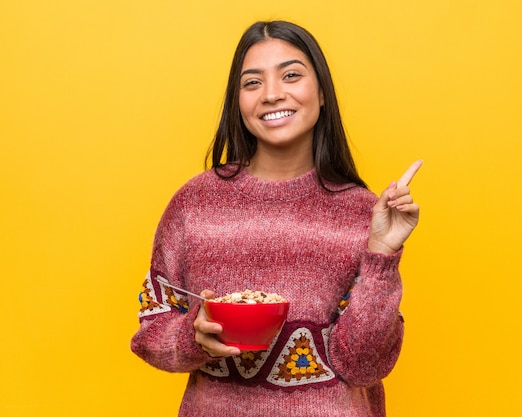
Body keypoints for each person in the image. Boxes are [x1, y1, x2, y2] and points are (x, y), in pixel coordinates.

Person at [131, 20, 422, 417]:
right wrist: (192, 337)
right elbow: (150, 334)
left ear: (321, 93)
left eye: (291, 75)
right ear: (238, 101)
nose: (271, 94)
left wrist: (382, 253)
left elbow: (365, 366)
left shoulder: (363, 213)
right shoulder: (195, 205)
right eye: (252, 83)